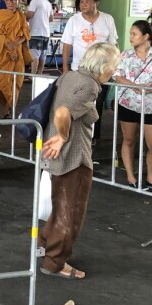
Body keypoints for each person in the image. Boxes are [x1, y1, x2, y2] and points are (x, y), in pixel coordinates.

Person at [40, 42, 121, 279]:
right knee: (71, 212)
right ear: (104, 65)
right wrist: (63, 136)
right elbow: (63, 112)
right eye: (113, 66)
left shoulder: (71, 76)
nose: (113, 72)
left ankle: (46, 248)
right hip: (72, 156)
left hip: (56, 153)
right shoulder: (89, 86)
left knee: (60, 206)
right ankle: (54, 262)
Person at [113, 20, 152, 193]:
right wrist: (133, 86)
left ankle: (151, 178)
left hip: (150, 104)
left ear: (145, 36)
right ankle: (131, 177)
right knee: (129, 140)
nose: (130, 37)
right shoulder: (125, 55)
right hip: (128, 102)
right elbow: (118, 76)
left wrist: (151, 89)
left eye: (134, 34)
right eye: (131, 34)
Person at [61, 0, 118, 145]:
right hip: (79, 70)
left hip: (101, 71)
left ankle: (93, 136)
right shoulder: (74, 20)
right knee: (78, 102)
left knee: (97, 104)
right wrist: (65, 68)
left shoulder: (107, 19)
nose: (83, 5)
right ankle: (75, 133)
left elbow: (114, 44)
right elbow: (67, 44)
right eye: (81, 2)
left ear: (96, 3)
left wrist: (115, 65)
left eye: (87, 1)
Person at [0, 0, 30, 117]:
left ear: (19, 2)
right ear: (5, 1)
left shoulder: (21, 16)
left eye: (14, 0)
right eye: (8, 0)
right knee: (1, 82)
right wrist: (10, 48)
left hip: (17, 55)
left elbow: (26, 35)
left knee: (15, 83)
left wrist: (16, 45)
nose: (11, 3)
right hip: (3, 52)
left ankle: (6, 112)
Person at [26, 0, 53, 77]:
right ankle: (40, 73)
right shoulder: (48, 3)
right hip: (46, 33)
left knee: (34, 54)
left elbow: (30, 14)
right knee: (42, 55)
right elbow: (51, 19)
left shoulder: (34, 1)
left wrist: (21, 16)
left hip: (36, 32)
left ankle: (32, 75)